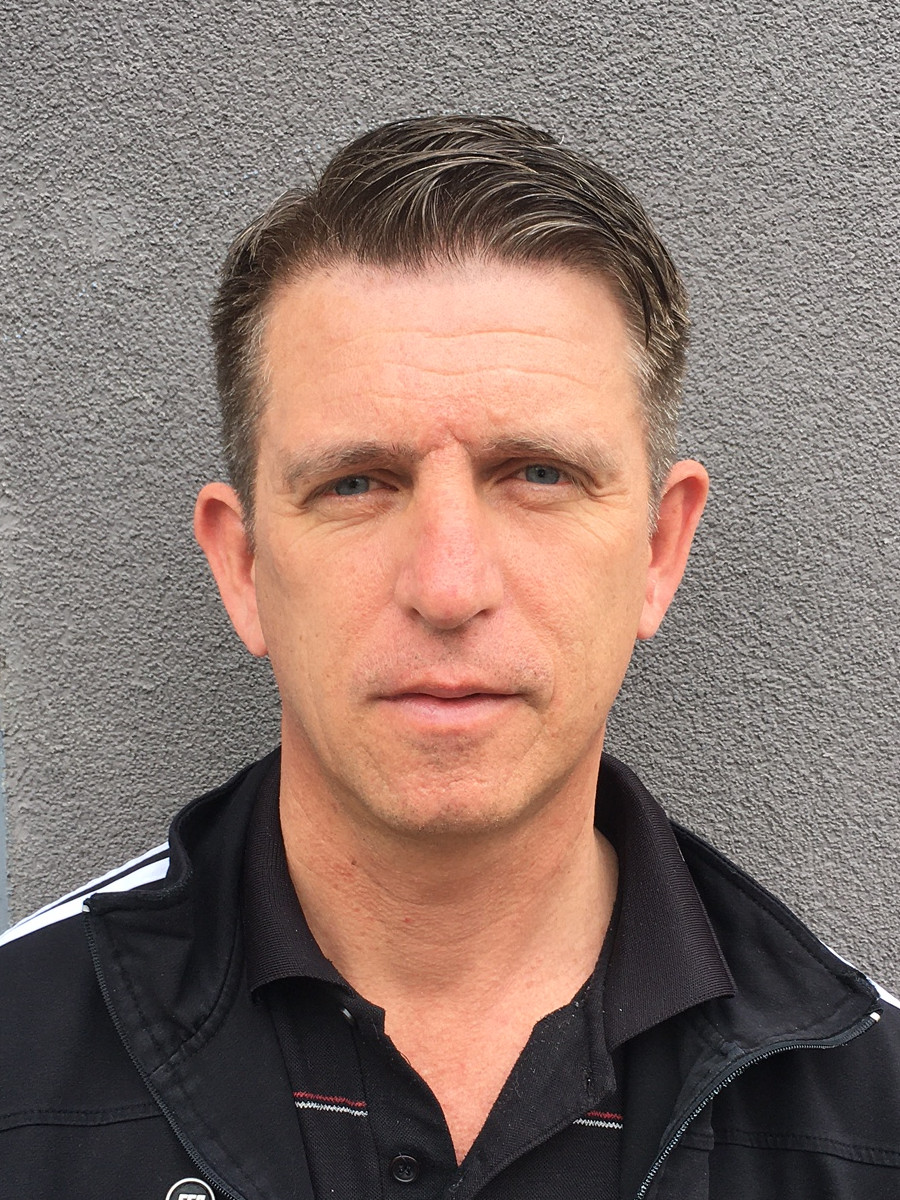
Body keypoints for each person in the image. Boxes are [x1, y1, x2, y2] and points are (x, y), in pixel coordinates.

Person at [1, 115, 898, 1200]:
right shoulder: (18, 1064)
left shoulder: (869, 1116)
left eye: (538, 475)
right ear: (243, 566)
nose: (448, 585)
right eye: (356, 483)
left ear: (659, 550)